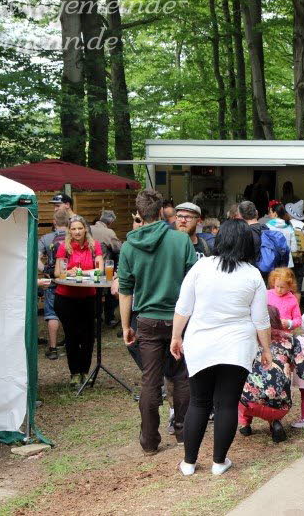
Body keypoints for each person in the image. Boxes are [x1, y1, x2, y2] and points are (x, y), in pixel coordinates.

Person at [171, 219, 273, 476]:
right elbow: (261, 320)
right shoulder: (252, 274)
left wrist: (176, 336)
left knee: (198, 402)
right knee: (227, 404)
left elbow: (184, 307)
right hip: (237, 346)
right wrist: (267, 350)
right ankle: (219, 462)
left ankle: (189, 463)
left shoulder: (201, 267)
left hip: (200, 343)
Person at [118, 189, 198, 456]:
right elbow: (191, 283)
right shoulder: (181, 241)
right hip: (179, 319)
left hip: (147, 320)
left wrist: (125, 325)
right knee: (182, 376)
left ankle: (150, 441)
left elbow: (126, 290)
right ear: (164, 211)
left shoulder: (129, 246)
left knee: (150, 380)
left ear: (139, 214)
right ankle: (182, 431)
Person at [238, 305, 304, 442]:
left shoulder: (247, 338)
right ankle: (275, 422)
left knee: (247, 385)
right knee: (274, 390)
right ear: (278, 319)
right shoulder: (291, 340)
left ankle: (245, 423)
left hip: (248, 402)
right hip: (280, 406)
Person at [52, 214, 104, 388]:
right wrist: (72, 272)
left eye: (79, 228)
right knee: (72, 336)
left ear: (85, 229)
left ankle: (84, 371)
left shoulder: (94, 246)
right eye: (73, 229)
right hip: (66, 297)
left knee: (88, 336)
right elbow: (58, 273)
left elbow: (101, 269)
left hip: (88, 296)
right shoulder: (63, 247)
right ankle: (74, 373)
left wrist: (82, 273)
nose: (76, 232)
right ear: (69, 230)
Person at [38, 209, 70, 360]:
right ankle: (72, 345)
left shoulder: (46, 238)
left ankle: (53, 349)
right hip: (72, 281)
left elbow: (35, 258)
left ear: (54, 222)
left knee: (52, 314)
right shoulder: (74, 237)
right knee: (72, 313)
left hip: (52, 280)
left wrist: (44, 269)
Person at [90, 210, 123, 327]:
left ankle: (93, 319)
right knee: (111, 293)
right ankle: (109, 318)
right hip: (103, 269)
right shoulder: (108, 232)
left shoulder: (88, 228)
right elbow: (118, 248)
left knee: (91, 296)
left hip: (87, 268)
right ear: (111, 221)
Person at [286, 200, 304, 293]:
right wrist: (302, 250)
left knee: (286, 286)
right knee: (297, 287)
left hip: (287, 260)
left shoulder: (285, 225)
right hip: (300, 260)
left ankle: (287, 307)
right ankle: (296, 307)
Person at [266, 267, 302, 332]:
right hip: (268, 333)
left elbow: (298, 319)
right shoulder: (267, 294)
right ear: (273, 283)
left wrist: (289, 323)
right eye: (277, 286)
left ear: (289, 286)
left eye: (282, 287)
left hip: (284, 335)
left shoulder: (292, 299)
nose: (279, 290)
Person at [267, 202, 296, 268]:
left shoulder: (267, 227)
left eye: (270, 212)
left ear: (275, 214)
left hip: (272, 263)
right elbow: (294, 249)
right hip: (287, 264)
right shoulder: (289, 227)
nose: (269, 215)